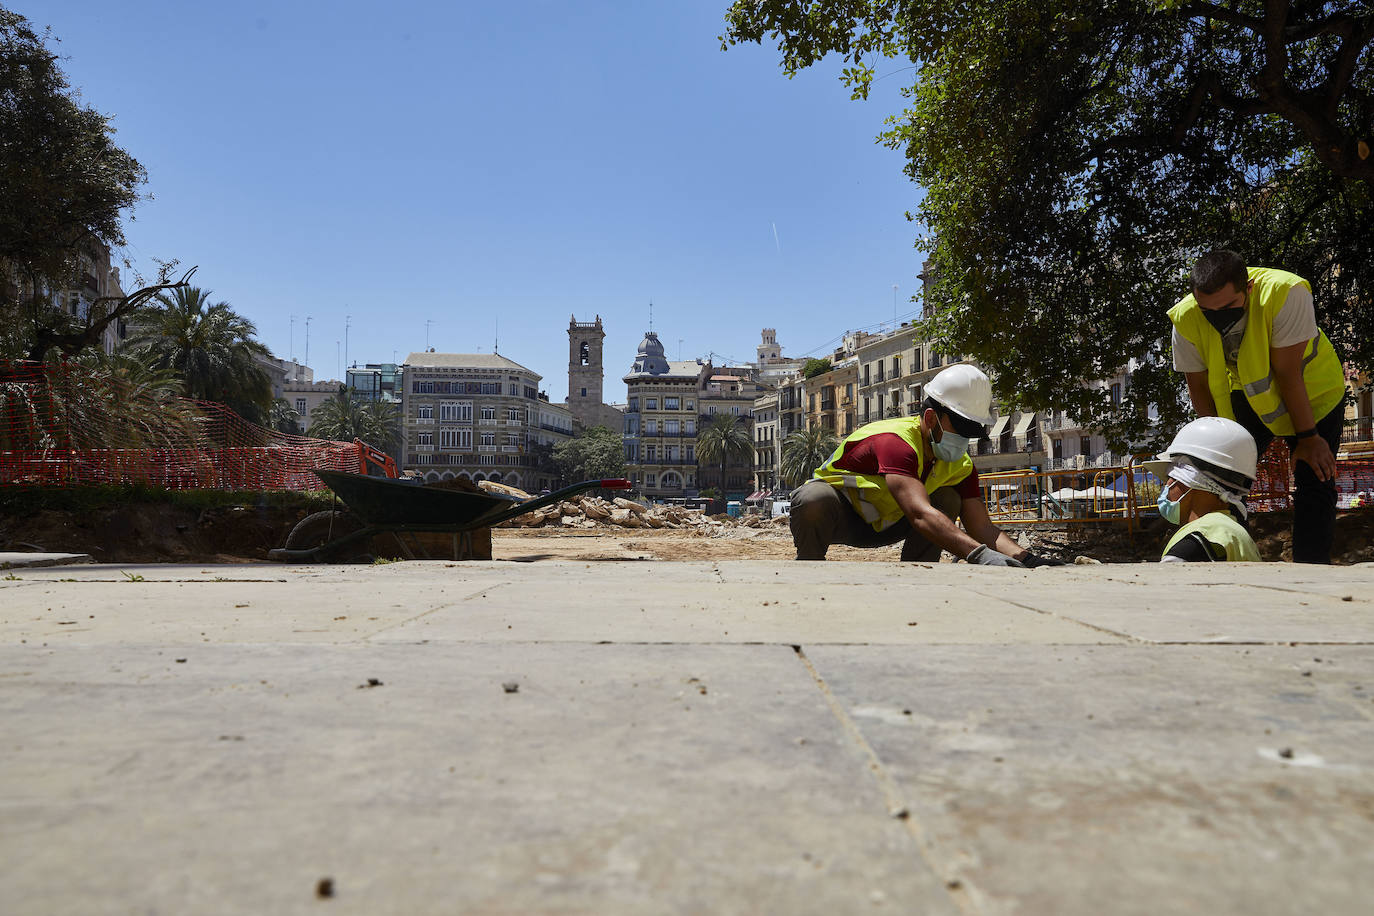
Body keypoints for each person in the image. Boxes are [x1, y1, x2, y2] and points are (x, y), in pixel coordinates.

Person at [1169, 250, 1346, 563]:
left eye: (1227, 307)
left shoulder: (1285, 293)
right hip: (1250, 397)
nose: (1217, 317)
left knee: (1315, 476)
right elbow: (1198, 387)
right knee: (1220, 480)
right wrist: (1213, 452)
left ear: (1248, 289)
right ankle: (1223, 556)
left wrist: (1308, 438)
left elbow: (1288, 373)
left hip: (1314, 394)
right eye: (1207, 310)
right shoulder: (1185, 317)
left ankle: (1311, 570)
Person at [789, 364, 1061, 567]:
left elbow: (983, 528)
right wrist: (979, 555)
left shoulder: (959, 465)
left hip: (894, 523)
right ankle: (810, 568)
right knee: (813, 498)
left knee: (948, 497)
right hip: (844, 520)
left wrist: (1028, 559)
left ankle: (920, 572)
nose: (964, 439)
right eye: (960, 428)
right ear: (931, 418)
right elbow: (919, 513)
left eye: (972, 431)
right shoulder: (895, 442)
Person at [1145, 417, 1261, 563]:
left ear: (1190, 481)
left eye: (1170, 477)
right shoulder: (1233, 531)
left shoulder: (1194, 542)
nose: (1167, 485)